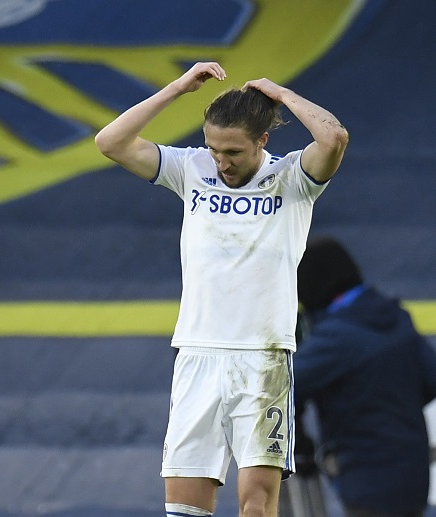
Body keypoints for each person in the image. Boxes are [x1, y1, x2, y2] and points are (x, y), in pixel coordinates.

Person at [94, 62, 349, 517]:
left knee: (256, 504)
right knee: (184, 510)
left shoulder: (293, 179)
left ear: (262, 142)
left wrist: (281, 94)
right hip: (196, 354)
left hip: (264, 358)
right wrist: (175, 88)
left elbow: (333, 138)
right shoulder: (190, 168)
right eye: (214, 148)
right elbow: (109, 142)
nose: (221, 161)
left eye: (233, 151)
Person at [294, 236, 436, 517]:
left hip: (366, 483)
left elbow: (279, 388)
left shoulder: (336, 337)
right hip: (414, 478)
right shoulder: (397, 318)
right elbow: (430, 380)